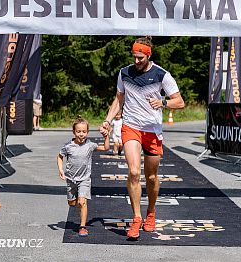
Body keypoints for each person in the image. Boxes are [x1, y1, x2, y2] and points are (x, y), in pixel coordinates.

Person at [99, 36, 185, 239]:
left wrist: (163, 103)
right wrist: (108, 121)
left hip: (152, 131)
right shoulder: (124, 73)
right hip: (131, 127)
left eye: (140, 57)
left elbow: (179, 102)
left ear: (148, 55)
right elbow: (119, 100)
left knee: (152, 177)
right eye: (134, 56)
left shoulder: (162, 75)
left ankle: (151, 212)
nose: (136, 61)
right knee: (134, 172)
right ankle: (136, 218)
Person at [57, 116, 110, 237]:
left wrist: (106, 136)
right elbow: (59, 156)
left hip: (84, 179)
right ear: (74, 132)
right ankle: (74, 200)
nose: (81, 134)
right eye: (78, 131)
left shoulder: (90, 145)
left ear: (87, 132)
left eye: (84, 132)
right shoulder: (68, 146)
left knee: (82, 202)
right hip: (71, 179)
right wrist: (61, 169)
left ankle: (82, 226)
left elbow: (106, 148)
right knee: (72, 203)